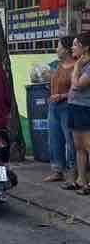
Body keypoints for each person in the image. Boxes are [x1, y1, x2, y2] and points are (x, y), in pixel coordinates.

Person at [45, 36, 77, 185]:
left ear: (66, 50)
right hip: (54, 106)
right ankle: (58, 170)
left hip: (68, 107)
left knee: (70, 141)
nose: (56, 49)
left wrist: (62, 96)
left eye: (59, 47)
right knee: (54, 139)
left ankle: (73, 171)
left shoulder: (77, 67)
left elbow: (79, 90)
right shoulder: (57, 66)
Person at [68, 33, 90, 195]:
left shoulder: (86, 66)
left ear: (86, 48)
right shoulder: (81, 64)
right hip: (75, 107)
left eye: (76, 45)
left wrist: (76, 67)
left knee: (88, 146)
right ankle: (81, 180)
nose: (72, 47)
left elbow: (77, 85)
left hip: (85, 108)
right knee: (78, 146)